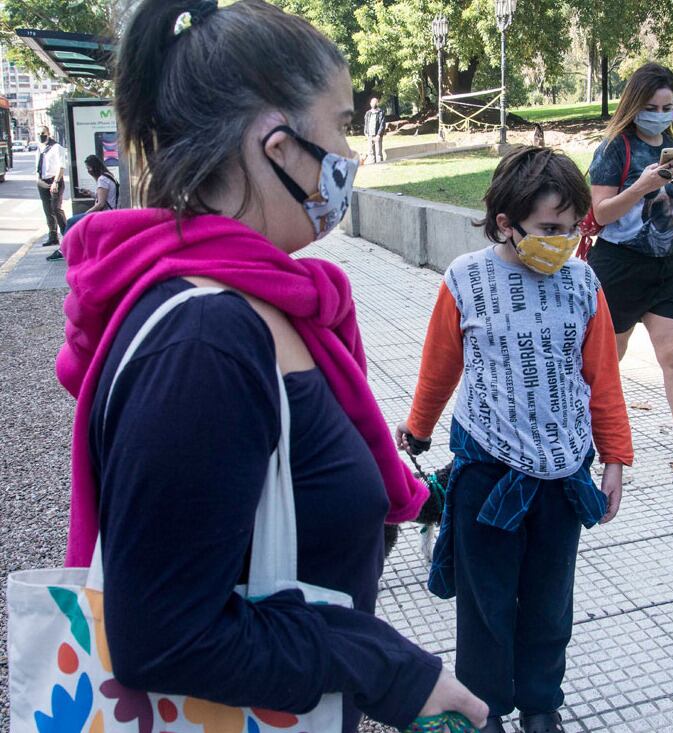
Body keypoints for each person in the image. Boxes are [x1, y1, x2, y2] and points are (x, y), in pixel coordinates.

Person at [54, 1, 488, 731]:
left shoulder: (258, 300)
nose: (351, 152)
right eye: (342, 122)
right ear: (277, 144)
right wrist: (391, 669)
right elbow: (163, 634)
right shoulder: (206, 340)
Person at [395, 146, 633, 733]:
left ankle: (540, 705)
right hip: (487, 478)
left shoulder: (583, 283)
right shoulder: (466, 280)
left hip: (562, 479)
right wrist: (417, 431)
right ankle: (485, 710)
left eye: (573, 227)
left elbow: (602, 378)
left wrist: (615, 462)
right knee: (487, 608)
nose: (564, 241)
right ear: (507, 223)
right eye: (550, 229)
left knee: (550, 606)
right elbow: (440, 367)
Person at [587, 62, 673, 482]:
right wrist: (641, 186)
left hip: (667, 266)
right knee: (606, 363)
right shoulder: (613, 149)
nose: (660, 114)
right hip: (619, 266)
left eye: (667, 106)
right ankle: (587, 445)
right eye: (652, 106)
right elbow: (600, 214)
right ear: (635, 105)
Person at [49, 155, 120, 262]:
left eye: (88, 168)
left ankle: (63, 250)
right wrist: (90, 193)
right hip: (108, 213)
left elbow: (100, 204)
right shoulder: (108, 176)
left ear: (94, 167)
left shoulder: (102, 179)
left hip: (104, 215)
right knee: (75, 222)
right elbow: (105, 198)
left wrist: (86, 214)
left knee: (71, 221)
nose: (88, 171)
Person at [36, 125, 67, 248]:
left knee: (56, 208)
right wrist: (37, 179)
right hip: (42, 181)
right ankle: (53, 236)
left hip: (54, 180)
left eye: (43, 133)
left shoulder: (56, 147)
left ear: (48, 133)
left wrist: (55, 182)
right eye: (38, 133)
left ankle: (67, 234)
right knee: (48, 210)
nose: (41, 135)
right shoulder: (39, 148)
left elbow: (61, 166)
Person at [365, 96, 386, 164]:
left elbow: (382, 125)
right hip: (370, 135)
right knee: (371, 153)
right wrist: (366, 133)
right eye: (372, 102)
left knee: (378, 153)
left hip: (377, 135)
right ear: (370, 103)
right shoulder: (368, 113)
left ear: (377, 103)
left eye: (375, 102)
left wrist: (378, 135)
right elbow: (366, 123)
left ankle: (380, 166)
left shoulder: (381, 112)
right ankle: (373, 166)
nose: (373, 104)